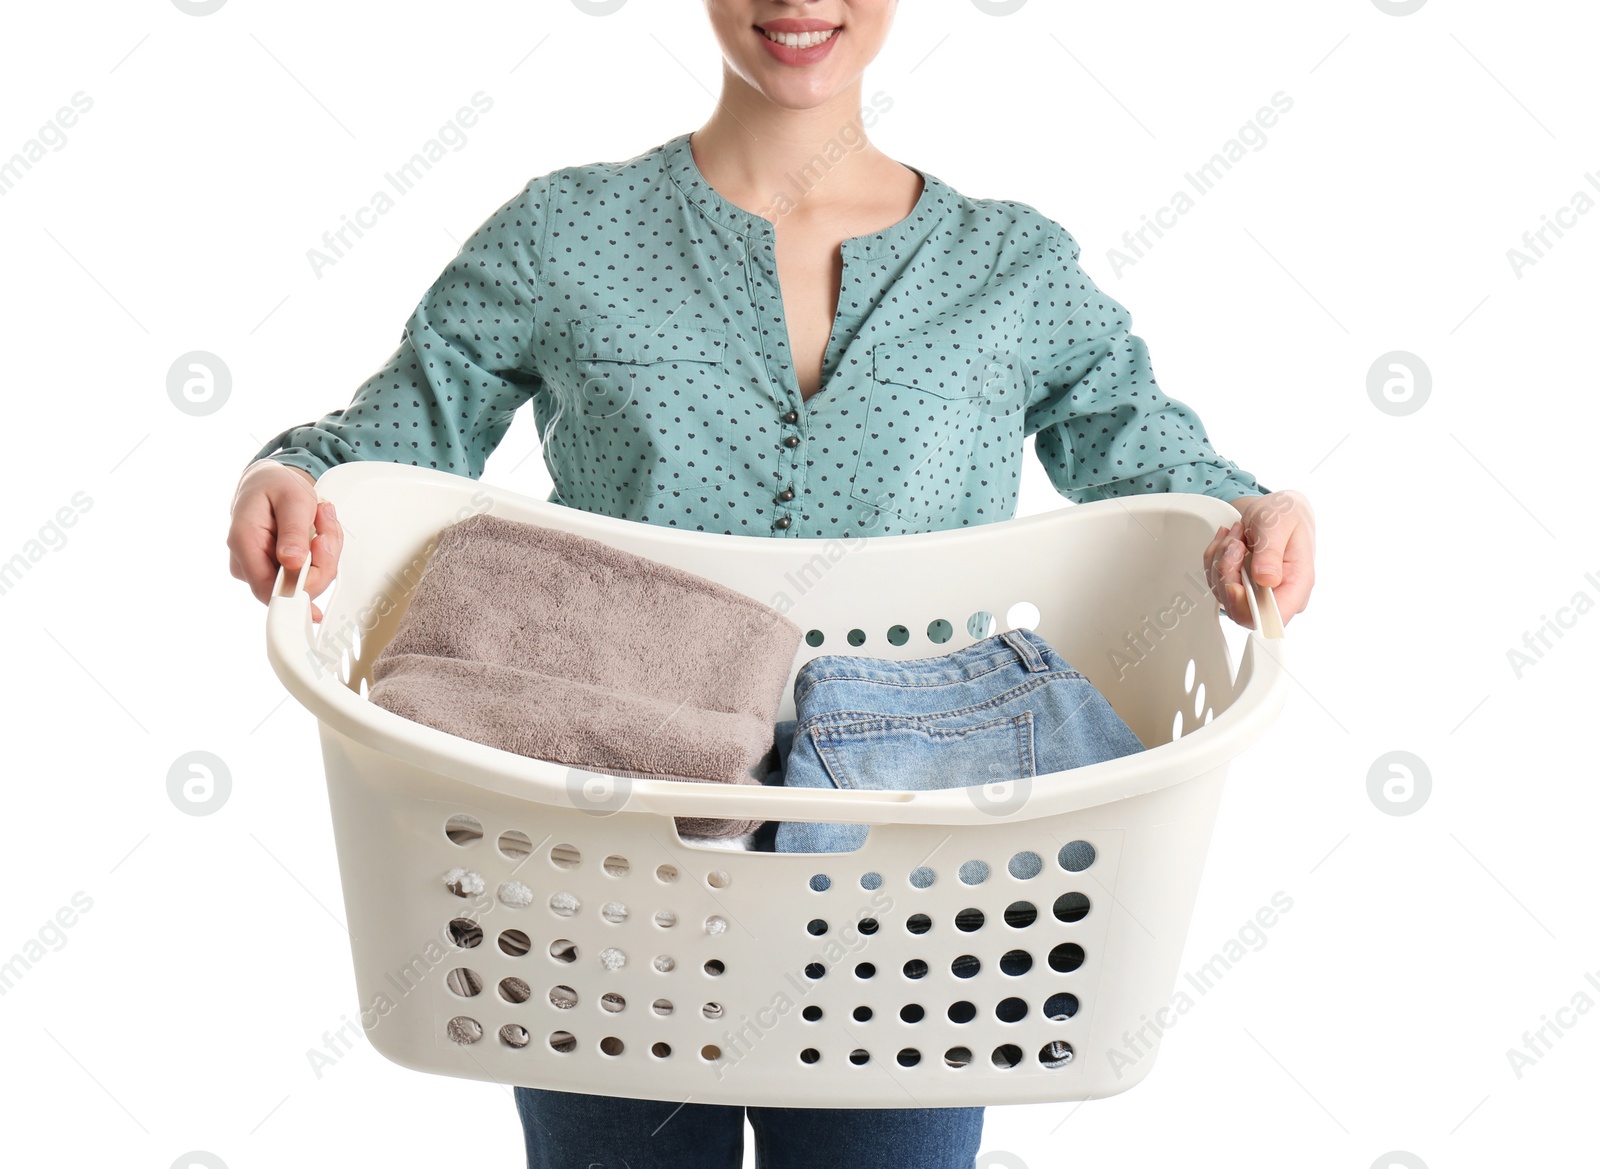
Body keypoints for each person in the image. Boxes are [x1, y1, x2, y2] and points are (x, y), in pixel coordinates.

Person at [227, 3, 1316, 1164]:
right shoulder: (564, 231)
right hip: (603, 869)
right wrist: (284, 474)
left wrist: (1258, 516)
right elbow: (389, 446)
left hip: (910, 893)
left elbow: (1165, 469)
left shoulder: (1013, 267)